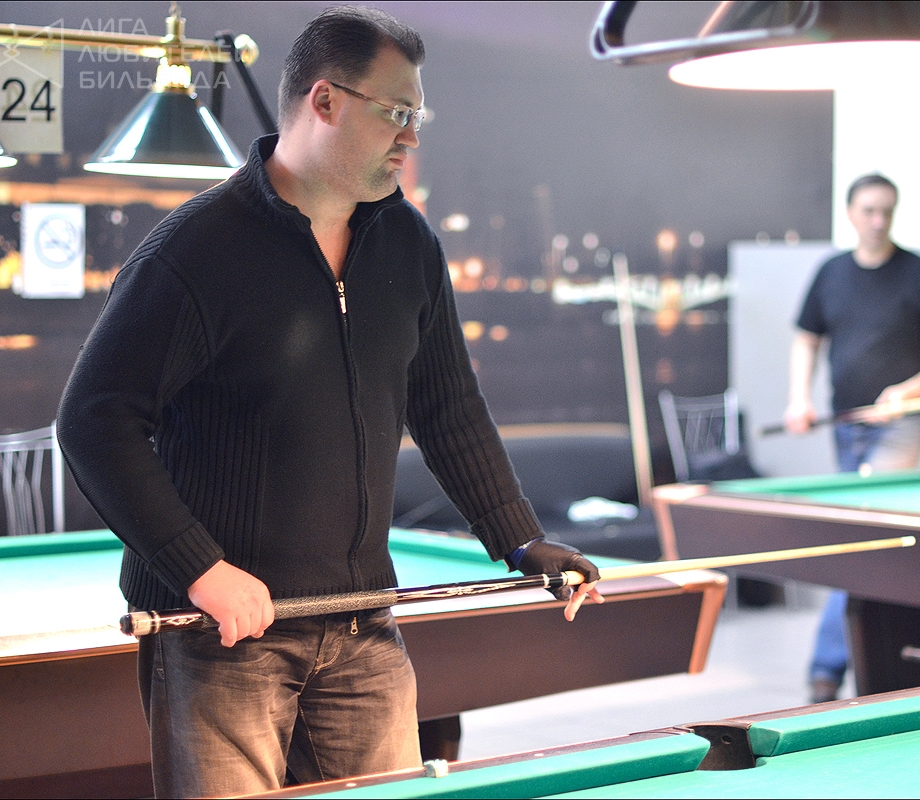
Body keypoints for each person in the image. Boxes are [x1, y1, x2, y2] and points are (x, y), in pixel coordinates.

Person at [56, 7, 602, 797]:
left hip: (361, 619)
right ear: (325, 101)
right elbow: (94, 420)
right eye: (397, 113)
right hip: (221, 634)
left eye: (418, 117)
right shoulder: (195, 249)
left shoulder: (409, 242)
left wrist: (520, 538)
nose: (410, 137)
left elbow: (448, 407)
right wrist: (200, 570)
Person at [784, 173, 920, 702]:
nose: (878, 220)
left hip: (900, 424)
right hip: (845, 424)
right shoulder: (831, 273)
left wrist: (908, 391)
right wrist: (799, 398)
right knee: (865, 541)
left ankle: (826, 671)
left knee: (862, 538)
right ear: (850, 213)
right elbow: (806, 339)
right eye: (868, 210)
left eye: (886, 210)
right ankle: (866, 666)